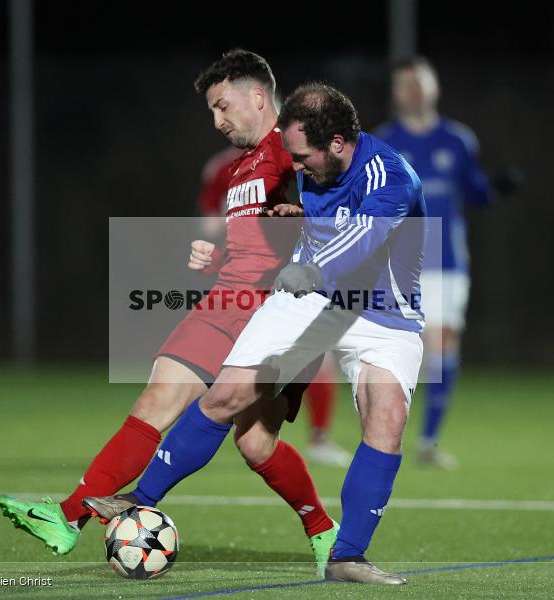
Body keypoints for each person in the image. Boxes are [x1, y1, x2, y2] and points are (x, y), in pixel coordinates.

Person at [0, 50, 338, 577]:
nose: (217, 120)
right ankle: (67, 518)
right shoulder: (238, 170)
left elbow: (339, 220)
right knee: (158, 396)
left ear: (257, 95)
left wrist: (307, 222)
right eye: (211, 111)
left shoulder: (294, 149)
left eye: (222, 106)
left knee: (256, 443)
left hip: (280, 313)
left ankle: (322, 530)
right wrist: (219, 257)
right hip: (225, 302)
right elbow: (257, 247)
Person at [86, 83, 427, 585]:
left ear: (337, 143)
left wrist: (311, 267)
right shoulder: (315, 163)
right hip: (308, 298)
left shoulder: (391, 177)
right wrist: (295, 223)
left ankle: (347, 557)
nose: (297, 168)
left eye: (303, 156)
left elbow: (360, 240)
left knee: (387, 418)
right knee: (228, 394)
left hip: (382, 313)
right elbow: (327, 218)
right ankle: (138, 499)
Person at [376, 56, 519, 468]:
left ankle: (428, 441)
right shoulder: (384, 142)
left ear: (434, 87)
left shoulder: (457, 140)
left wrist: (497, 189)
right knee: (402, 353)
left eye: (421, 82)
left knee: (442, 346)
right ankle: (385, 435)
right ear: (396, 93)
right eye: (405, 84)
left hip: (447, 259)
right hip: (400, 260)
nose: (414, 90)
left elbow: (475, 193)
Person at [196, 146, 351, 467]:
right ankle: (314, 438)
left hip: (280, 275)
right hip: (267, 276)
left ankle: (197, 432)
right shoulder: (295, 158)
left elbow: (210, 226)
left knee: (229, 359)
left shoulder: (229, 165)